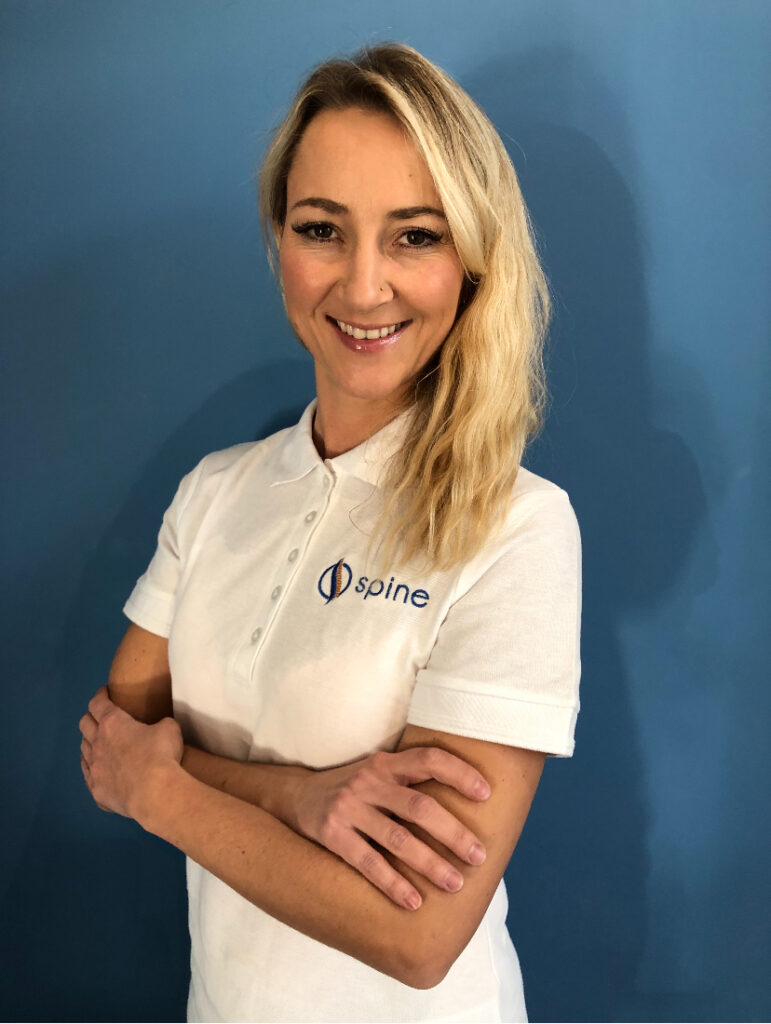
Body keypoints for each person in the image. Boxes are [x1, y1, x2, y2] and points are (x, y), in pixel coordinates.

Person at [79, 43, 581, 1023]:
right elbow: (111, 750)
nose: (362, 286)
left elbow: (415, 934)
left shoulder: (517, 527)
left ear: (472, 259)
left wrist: (168, 794)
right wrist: (295, 798)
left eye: (414, 237)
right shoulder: (215, 491)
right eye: (322, 229)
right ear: (279, 241)